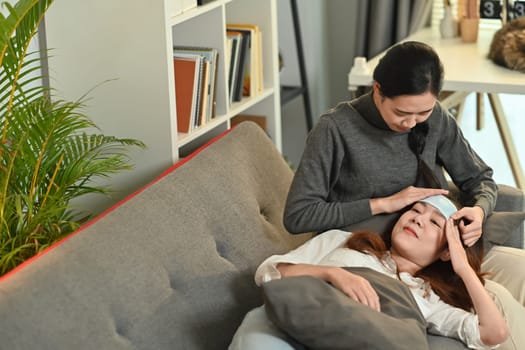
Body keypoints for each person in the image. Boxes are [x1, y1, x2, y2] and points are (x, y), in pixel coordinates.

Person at [282, 41, 525, 307]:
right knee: (498, 302)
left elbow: (480, 179)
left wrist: (479, 211)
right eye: (401, 113)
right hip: (378, 263)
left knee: (521, 271)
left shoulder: (436, 120)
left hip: (437, 255)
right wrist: (383, 204)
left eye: (424, 112)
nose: (411, 123)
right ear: (377, 90)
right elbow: (298, 215)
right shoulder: (335, 130)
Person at [229, 195, 516, 349]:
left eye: (434, 222)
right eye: (415, 211)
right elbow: (268, 273)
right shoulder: (343, 240)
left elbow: (494, 332)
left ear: (446, 250)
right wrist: (333, 274)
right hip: (288, 323)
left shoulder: (428, 299)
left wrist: (463, 267)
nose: (418, 219)